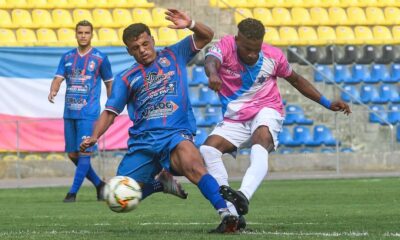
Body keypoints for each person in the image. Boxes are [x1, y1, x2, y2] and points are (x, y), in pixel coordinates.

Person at [80, 9, 239, 233]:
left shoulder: (174, 54)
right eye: (136, 48)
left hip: (175, 133)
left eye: (145, 44)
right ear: (129, 51)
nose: (143, 51)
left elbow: (206, 35)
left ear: (152, 40)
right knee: (117, 199)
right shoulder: (126, 78)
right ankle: (159, 184)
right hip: (143, 142)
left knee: (193, 165)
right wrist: (94, 137)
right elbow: (109, 112)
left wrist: (191, 23)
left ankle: (226, 215)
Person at [200, 18, 352, 229]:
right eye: (247, 49)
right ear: (237, 40)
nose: (252, 54)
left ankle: (243, 194)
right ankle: (231, 213)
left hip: (267, 108)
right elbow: (210, 60)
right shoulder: (226, 45)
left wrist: (326, 102)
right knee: (208, 149)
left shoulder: (274, 56)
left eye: (256, 49)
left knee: (261, 137)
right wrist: (214, 74)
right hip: (236, 116)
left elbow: (297, 80)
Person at [48, 20, 113, 203]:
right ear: (76, 34)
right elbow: (58, 77)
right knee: (72, 154)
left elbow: (109, 82)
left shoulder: (100, 58)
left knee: (84, 153)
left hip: (89, 113)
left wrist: (111, 104)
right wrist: (53, 89)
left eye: (86, 32)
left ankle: (72, 193)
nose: (83, 35)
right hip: (69, 112)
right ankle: (100, 185)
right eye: (80, 32)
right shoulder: (67, 57)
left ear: (92, 35)